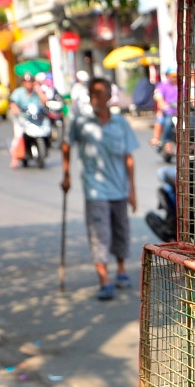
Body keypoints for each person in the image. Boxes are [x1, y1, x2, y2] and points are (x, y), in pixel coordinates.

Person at [61, 77, 139, 301]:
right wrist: (66, 175)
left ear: (108, 97)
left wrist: (132, 191)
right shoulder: (80, 122)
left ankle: (121, 271)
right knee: (99, 234)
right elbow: (66, 144)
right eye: (92, 94)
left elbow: (129, 158)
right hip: (94, 189)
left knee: (120, 231)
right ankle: (104, 279)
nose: (96, 99)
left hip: (119, 188)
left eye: (100, 94)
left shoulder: (121, 123)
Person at [9, 73, 48, 168]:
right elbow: (12, 103)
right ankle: (14, 158)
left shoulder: (36, 93)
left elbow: (45, 101)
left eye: (30, 82)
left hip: (34, 118)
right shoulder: (19, 92)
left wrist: (38, 90)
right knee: (18, 135)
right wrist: (15, 109)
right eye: (26, 82)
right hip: (22, 117)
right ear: (23, 83)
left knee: (46, 130)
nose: (28, 84)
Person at [151, 66, 179, 148]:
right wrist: (162, 103)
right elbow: (158, 96)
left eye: (176, 75)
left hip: (180, 113)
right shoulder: (162, 85)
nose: (175, 78)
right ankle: (158, 139)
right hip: (168, 112)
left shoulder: (183, 85)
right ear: (168, 76)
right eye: (173, 76)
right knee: (164, 121)